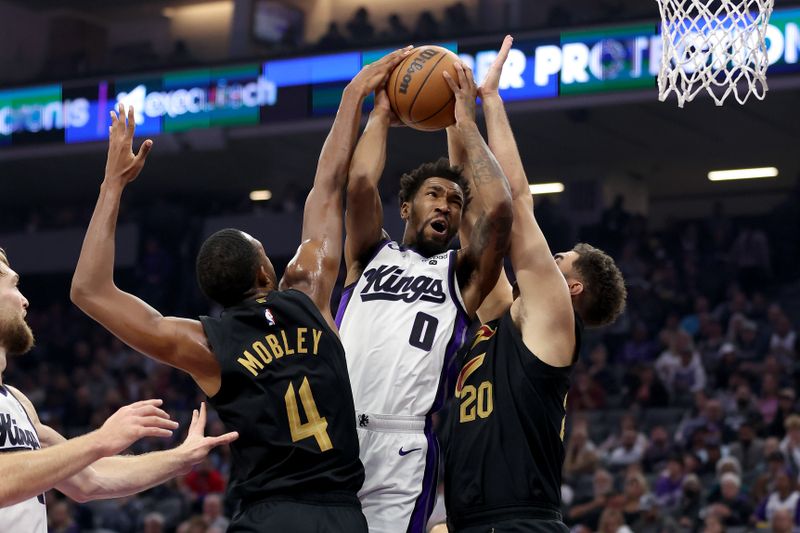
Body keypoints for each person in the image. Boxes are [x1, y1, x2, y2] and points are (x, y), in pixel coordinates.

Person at [70, 47, 413, 532]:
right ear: (264, 274)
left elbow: (89, 291)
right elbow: (327, 188)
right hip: (340, 513)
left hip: (269, 515)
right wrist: (353, 96)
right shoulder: (307, 295)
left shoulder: (206, 345)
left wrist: (112, 185)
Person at [442, 36, 626, 532]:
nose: (551, 256)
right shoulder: (507, 319)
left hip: (521, 521)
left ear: (573, 290)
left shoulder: (554, 323)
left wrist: (487, 106)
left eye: (560, 259)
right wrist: (451, 121)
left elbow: (516, 202)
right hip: (470, 518)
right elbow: (471, 216)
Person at [337, 43, 513, 533]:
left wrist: (465, 122)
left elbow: (499, 212)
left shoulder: (463, 273)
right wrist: (381, 113)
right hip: (333, 431)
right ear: (406, 208)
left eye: (454, 202)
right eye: (433, 195)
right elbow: (358, 186)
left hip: (403, 444)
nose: (445, 206)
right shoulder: (370, 253)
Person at [0, 248, 235, 532]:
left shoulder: (18, 402)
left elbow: (89, 478)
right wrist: (101, 439)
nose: (25, 300)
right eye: (14, 285)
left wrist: (179, 458)